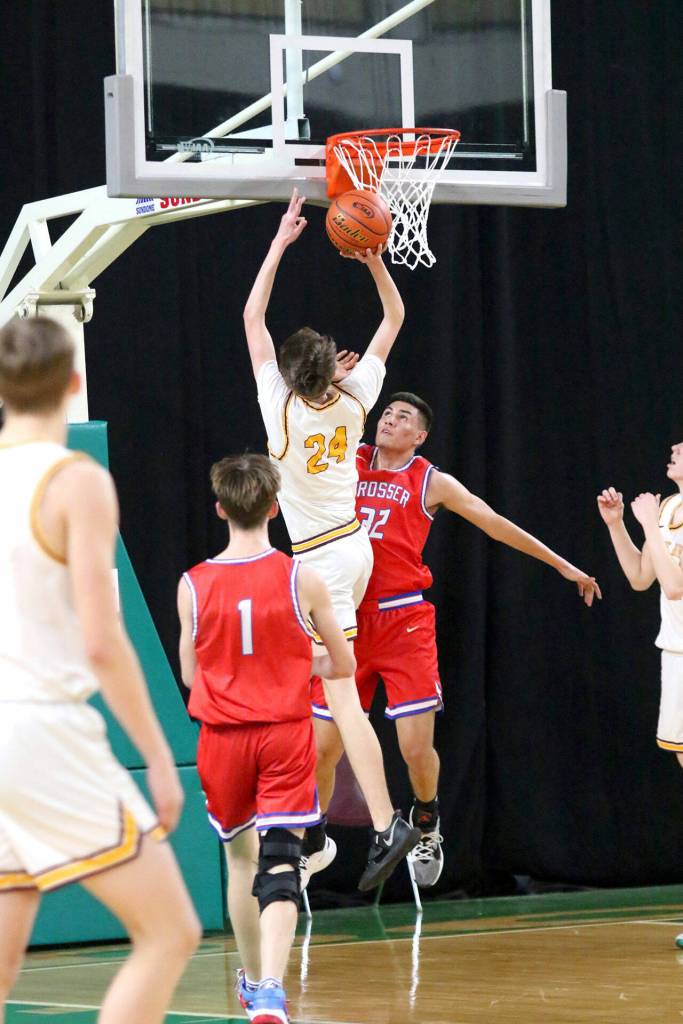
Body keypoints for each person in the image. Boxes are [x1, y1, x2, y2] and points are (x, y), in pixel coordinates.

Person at [312, 390, 602, 888]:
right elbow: (301, 429)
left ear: (419, 435)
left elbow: (494, 523)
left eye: (402, 417)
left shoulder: (431, 480)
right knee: (321, 748)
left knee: (413, 748)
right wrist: (329, 388)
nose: (389, 420)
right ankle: (309, 844)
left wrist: (561, 564)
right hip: (347, 618)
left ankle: (426, 820)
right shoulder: (346, 457)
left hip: (403, 620)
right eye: (386, 412)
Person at [0, 317, 201, 1024]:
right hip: (39, 729)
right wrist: (157, 755)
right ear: (74, 382)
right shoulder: (75, 479)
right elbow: (100, 638)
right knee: (170, 932)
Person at [242, 189, 419, 889]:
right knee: (315, 688)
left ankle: (373, 824)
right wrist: (373, 260)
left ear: (291, 373)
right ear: (334, 370)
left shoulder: (277, 407)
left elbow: (253, 313)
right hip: (354, 549)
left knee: (337, 698)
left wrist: (282, 241)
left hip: (316, 562)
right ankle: (333, 827)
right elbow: (395, 316)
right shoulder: (355, 398)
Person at [177, 453, 391, 1023]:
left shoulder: (192, 585)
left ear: (221, 509)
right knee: (280, 863)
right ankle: (270, 989)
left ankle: (250, 980)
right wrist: (297, 660)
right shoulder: (304, 577)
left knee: (240, 862)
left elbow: (191, 675)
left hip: (222, 740)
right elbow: (342, 664)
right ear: (275, 508)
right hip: (281, 735)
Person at [598, 444, 683, 762]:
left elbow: (676, 587)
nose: (675, 447)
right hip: (676, 652)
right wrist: (616, 523)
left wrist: (649, 525)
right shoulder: (670, 507)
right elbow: (640, 577)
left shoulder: (656, 517)